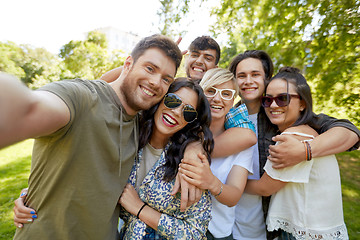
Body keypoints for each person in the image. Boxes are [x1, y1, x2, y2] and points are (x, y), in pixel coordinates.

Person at [0, 34, 183, 239]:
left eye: (166, 79)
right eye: (150, 68)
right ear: (128, 63)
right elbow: (28, 107)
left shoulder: (142, 123)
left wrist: (193, 153)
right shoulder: (81, 98)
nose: (156, 82)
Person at [228, 50, 360, 239]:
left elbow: (349, 131)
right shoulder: (228, 115)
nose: (274, 105)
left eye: (255, 74)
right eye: (241, 75)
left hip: (269, 228)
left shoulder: (294, 127)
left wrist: (305, 150)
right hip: (230, 221)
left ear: (266, 79)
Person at [119, 79, 213, 239]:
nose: (177, 112)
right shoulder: (128, 137)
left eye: (188, 111)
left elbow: (195, 232)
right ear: (160, 98)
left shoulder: (188, 163)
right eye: (173, 101)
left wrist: (140, 209)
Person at [179, 68, 254, 240]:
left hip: (216, 232)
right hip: (176, 224)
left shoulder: (242, 143)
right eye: (211, 91)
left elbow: (234, 195)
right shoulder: (184, 128)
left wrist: (211, 182)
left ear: (233, 99)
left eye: (226, 93)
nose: (217, 98)